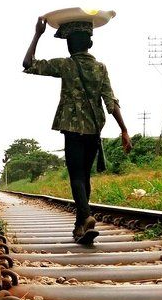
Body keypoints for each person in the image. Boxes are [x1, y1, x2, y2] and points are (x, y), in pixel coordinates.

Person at [22, 15, 132, 242]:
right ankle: (80, 224)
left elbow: (28, 64)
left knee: (77, 177)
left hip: (72, 129)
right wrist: (124, 130)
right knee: (86, 177)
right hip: (94, 130)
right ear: (90, 43)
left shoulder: (66, 65)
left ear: (69, 45)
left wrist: (37, 34)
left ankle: (86, 216)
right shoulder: (100, 68)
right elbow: (111, 102)